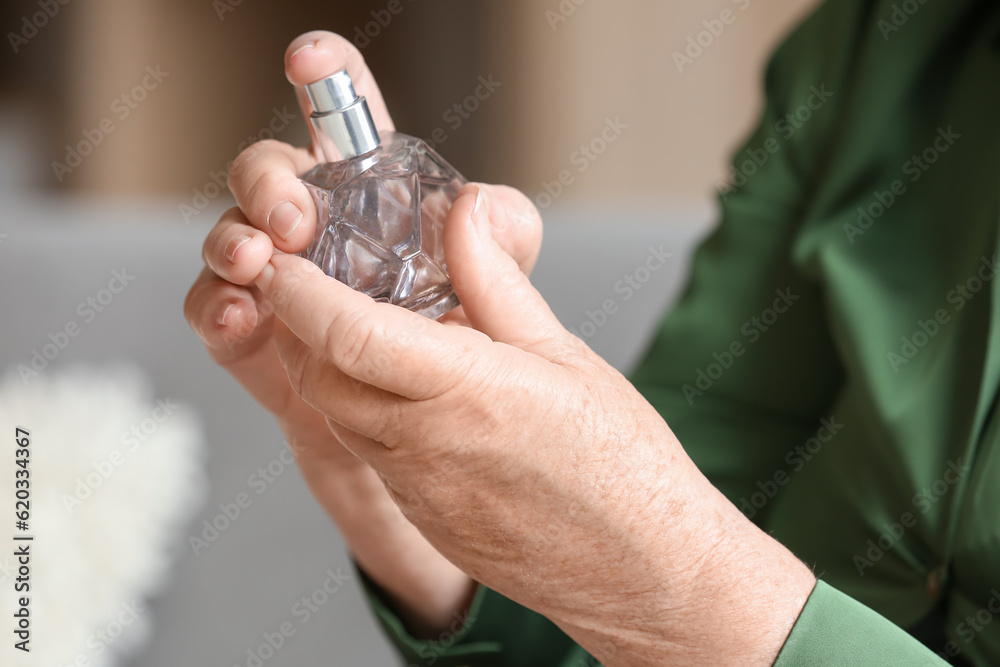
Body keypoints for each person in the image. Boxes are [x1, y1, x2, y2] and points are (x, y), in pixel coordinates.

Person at [184, 0, 1000, 663]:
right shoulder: (878, 43)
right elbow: (657, 526)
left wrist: (684, 589)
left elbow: (662, 568)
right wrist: (380, 473)